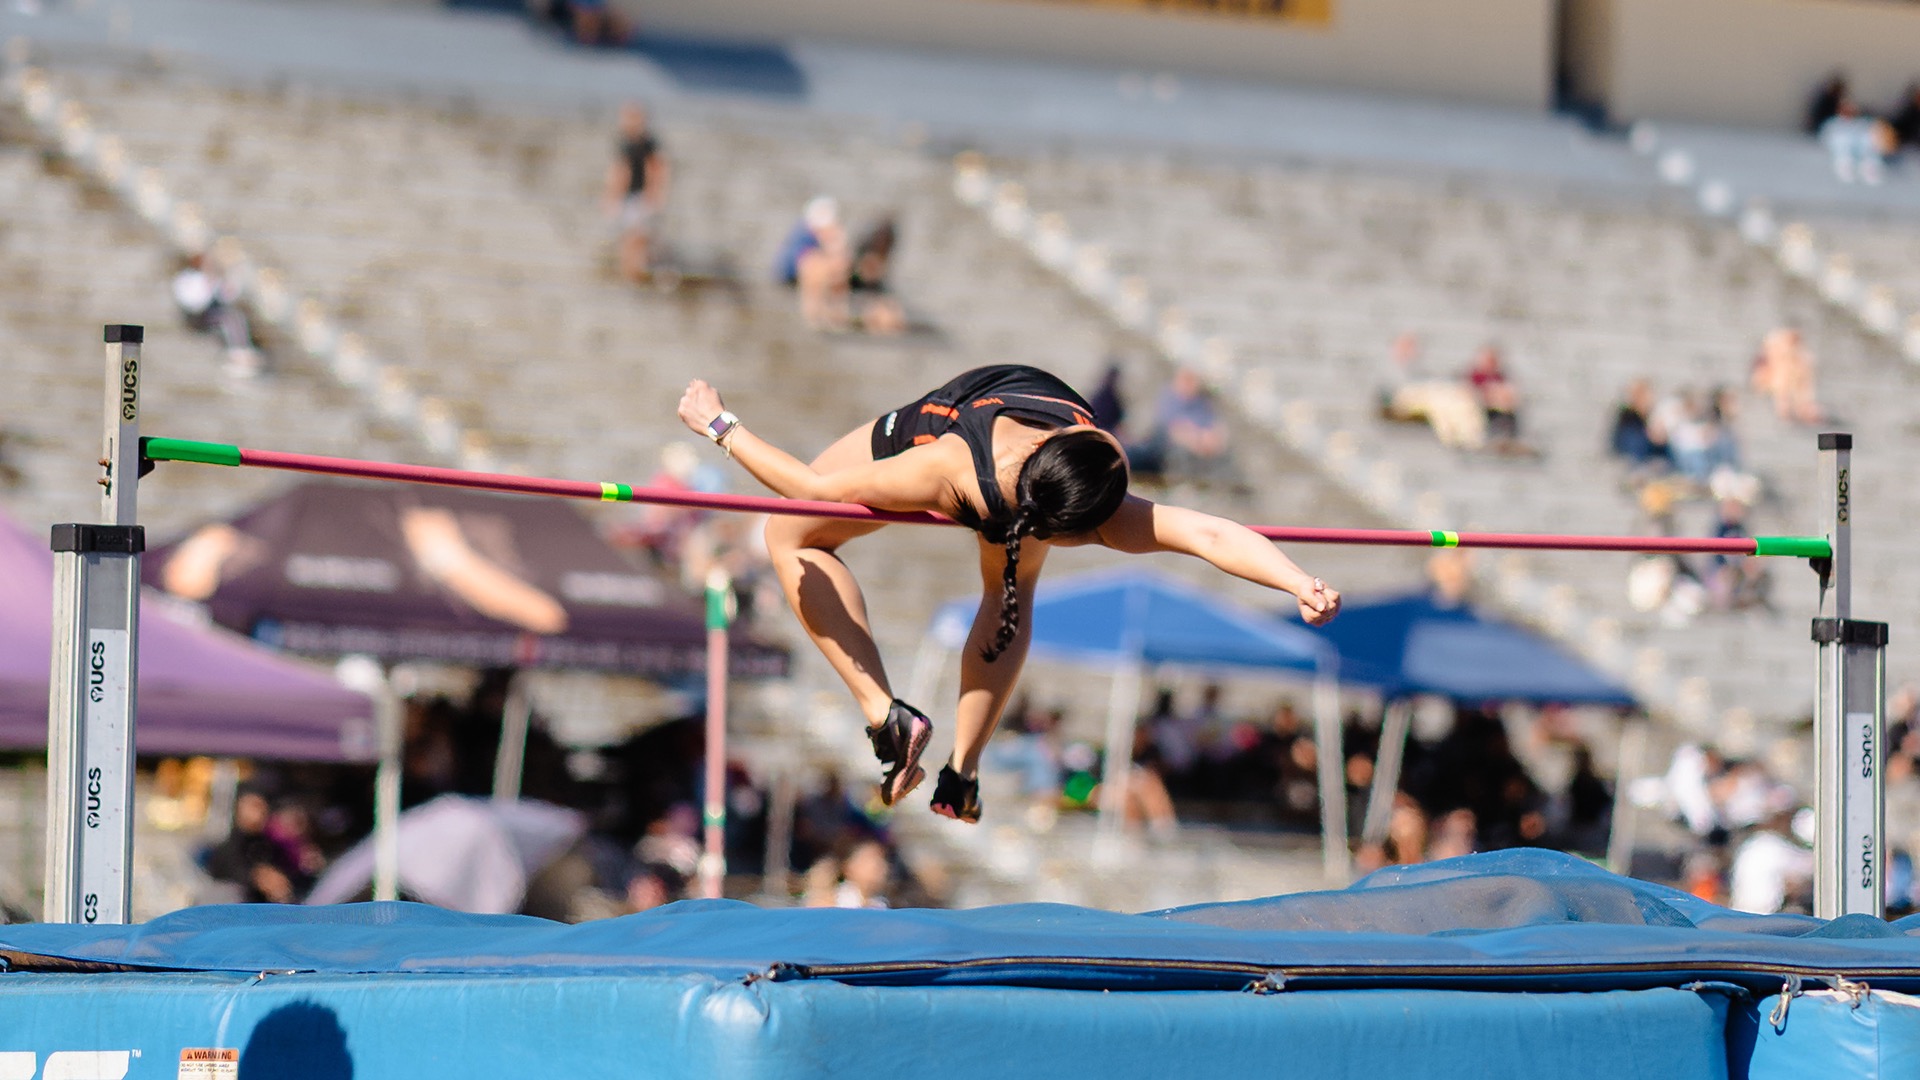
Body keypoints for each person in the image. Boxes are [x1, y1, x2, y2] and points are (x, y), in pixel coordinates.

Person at [675, 365, 1340, 824]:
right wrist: (1298, 579)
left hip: (976, 466)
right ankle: (959, 772)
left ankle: (891, 718)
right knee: (1008, 584)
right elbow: (1208, 533)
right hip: (966, 450)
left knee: (790, 538)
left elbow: (811, 494)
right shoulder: (971, 474)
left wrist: (721, 425)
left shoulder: (1002, 479)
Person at [603, 103, 669, 282]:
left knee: (636, 236)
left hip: (638, 197)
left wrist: (654, 194)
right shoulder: (627, 143)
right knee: (630, 237)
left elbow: (654, 169)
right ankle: (630, 271)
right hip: (630, 197)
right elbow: (619, 171)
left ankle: (635, 271)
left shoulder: (645, 144)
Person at [774, 196, 851, 330]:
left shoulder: (815, 235)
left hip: (814, 270)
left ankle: (832, 313)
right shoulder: (804, 239)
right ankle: (820, 315)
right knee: (817, 267)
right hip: (798, 271)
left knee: (835, 266)